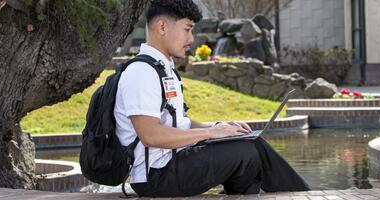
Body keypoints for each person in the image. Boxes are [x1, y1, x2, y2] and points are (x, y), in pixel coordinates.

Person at [113, 0, 309, 197]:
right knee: (247, 154)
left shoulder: (163, 68)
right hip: (155, 177)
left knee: (250, 141)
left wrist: (219, 127)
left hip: (173, 161)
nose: (191, 38)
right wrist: (211, 133)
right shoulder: (141, 72)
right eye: (187, 29)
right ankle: (300, 196)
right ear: (162, 26)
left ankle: (301, 194)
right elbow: (151, 135)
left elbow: (180, 123)